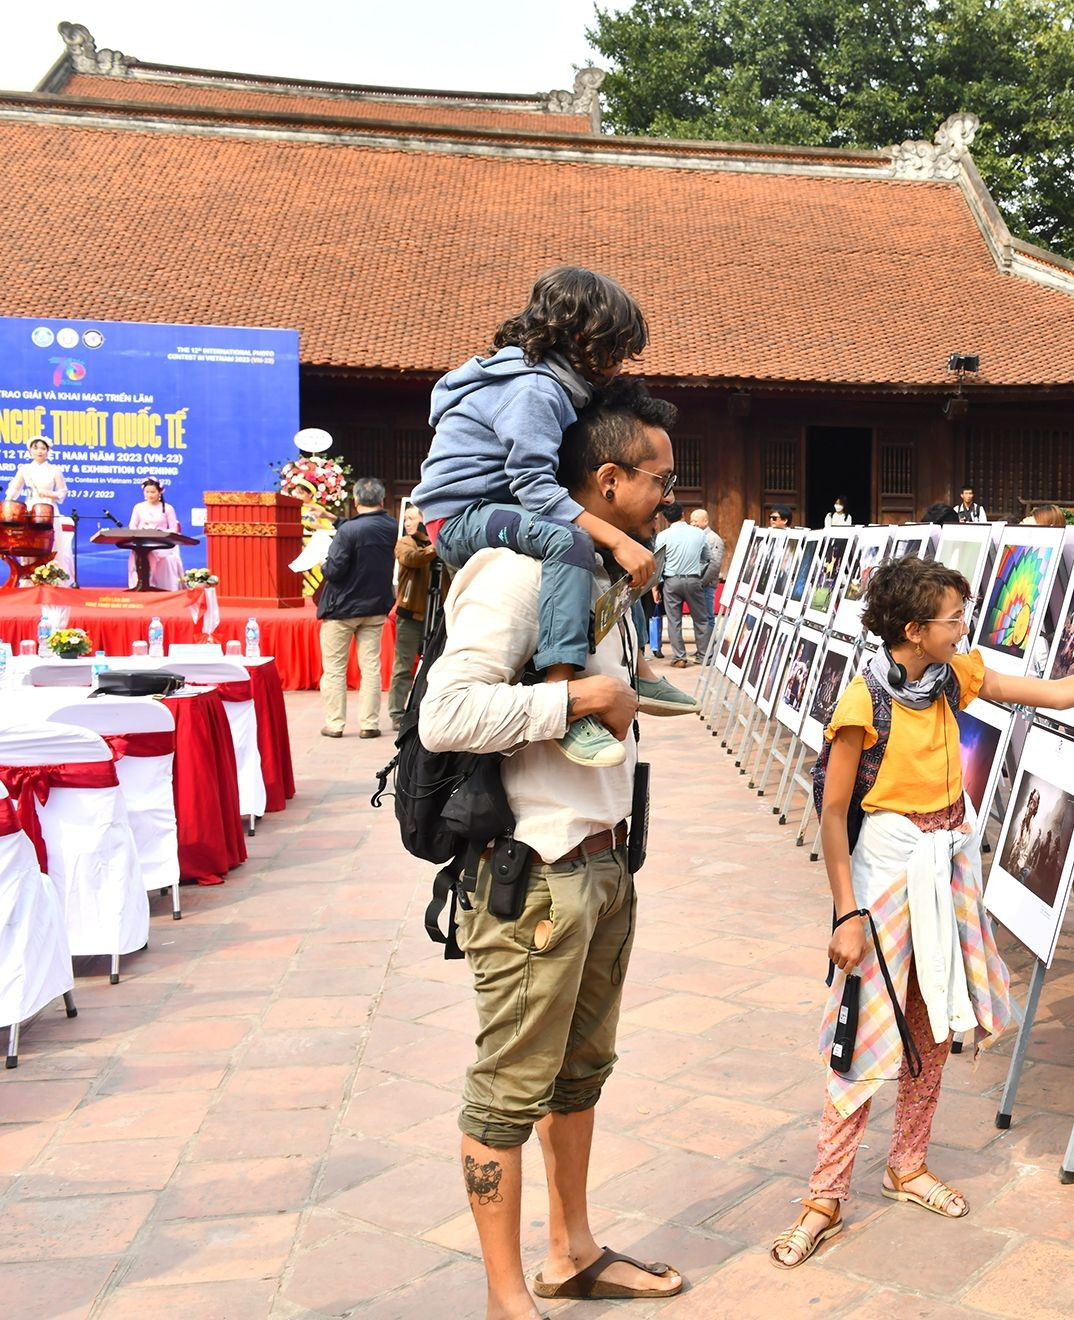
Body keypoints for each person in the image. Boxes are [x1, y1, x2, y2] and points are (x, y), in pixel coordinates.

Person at [771, 556, 1074, 1270]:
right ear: (914, 630)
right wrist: (847, 914)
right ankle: (824, 1195)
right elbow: (833, 811)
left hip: (946, 870)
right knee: (863, 1039)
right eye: (953, 619)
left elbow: (1059, 694)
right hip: (885, 879)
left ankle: (907, 1164)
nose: (964, 628)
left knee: (933, 1023)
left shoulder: (957, 678)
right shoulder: (861, 704)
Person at [421, 378, 684, 1314]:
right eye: (659, 478)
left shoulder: (598, 572)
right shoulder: (517, 569)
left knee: (579, 1075)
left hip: (602, 865)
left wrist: (631, 691)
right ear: (607, 479)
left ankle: (571, 1251)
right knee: (507, 1092)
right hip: (532, 877)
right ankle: (505, 1297)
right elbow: (446, 713)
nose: (669, 496)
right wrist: (581, 699)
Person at [410, 266, 678, 769]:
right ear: (580, 336)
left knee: (601, 540)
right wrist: (616, 541)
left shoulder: (563, 386)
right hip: (461, 515)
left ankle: (637, 665)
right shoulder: (535, 390)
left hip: (500, 506)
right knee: (572, 542)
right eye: (615, 349)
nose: (620, 364)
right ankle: (562, 686)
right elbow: (534, 487)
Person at [316, 477, 397, 739]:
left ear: (356, 500)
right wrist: (334, 518)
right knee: (370, 667)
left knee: (335, 669)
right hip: (375, 607)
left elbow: (334, 570)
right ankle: (369, 723)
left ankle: (335, 723)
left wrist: (322, 562)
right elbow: (360, 531)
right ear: (382, 500)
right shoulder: (391, 526)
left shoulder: (349, 531)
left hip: (342, 609)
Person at [388, 505, 437, 729]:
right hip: (410, 616)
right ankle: (397, 713)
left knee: (435, 666)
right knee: (403, 666)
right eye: (405, 519)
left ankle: (428, 709)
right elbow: (411, 559)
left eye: (412, 519)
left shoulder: (439, 543)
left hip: (436, 615)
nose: (407, 523)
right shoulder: (405, 543)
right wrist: (434, 549)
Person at [6, 437, 74, 580]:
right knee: (30, 543)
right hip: (31, 510)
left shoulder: (55, 471)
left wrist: (48, 494)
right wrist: (7, 504)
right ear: (30, 451)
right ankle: (30, 578)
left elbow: (62, 493)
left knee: (51, 544)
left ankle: (53, 578)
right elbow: (14, 489)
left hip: (49, 510)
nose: (39, 451)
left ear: (48, 451)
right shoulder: (25, 470)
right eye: (36, 448)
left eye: (43, 448)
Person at [658, 502, 711, 667]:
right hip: (693, 579)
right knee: (701, 620)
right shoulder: (699, 533)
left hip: (671, 581)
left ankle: (680, 657)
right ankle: (704, 656)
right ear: (683, 514)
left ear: (666, 519)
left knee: (674, 620)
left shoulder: (663, 536)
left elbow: (659, 563)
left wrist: (656, 587)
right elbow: (707, 557)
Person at [127, 478, 185, 589]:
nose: (150, 495)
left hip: (162, 543)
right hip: (143, 541)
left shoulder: (167, 508)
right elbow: (132, 526)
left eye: (153, 492)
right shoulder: (138, 507)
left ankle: (156, 585)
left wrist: (159, 533)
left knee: (156, 553)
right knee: (139, 551)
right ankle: (141, 584)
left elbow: (173, 529)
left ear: (160, 492)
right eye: (147, 492)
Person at [694, 508, 723, 635]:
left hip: (706, 584)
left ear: (705, 521)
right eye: (691, 521)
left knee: (708, 616)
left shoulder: (713, 539)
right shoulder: (695, 537)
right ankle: (702, 647)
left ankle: (709, 648)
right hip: (696, 583)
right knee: (699, 617)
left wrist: (703, 582)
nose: (692, 524)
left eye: (695, 521)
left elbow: (715, 565)